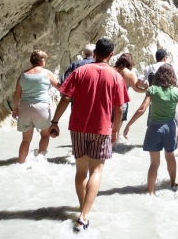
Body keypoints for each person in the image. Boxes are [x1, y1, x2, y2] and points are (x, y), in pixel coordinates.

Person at [49, 38, 129, 233]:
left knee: (80, 171)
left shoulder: (80, 71)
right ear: (111, 55)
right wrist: (115, 130)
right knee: (97, 171)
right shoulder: (116, 76)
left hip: (78, 127)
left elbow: (66, 97)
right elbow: (119, 108)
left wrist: (54, 122)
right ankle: (84, 216)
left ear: (94, 54)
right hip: (102, 128)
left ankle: (82, 207)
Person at [123, 64, 178, 194]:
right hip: (170, 128)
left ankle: (150, 192)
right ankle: (173, 185)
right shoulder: (176, 92)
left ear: (158, 76)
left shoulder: (152, 89)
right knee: (170, 157)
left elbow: (142, 109)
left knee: (154, 163)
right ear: (172, 76)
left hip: (154, 128)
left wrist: (128, 124)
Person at [12, 50, 60, 163]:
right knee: (44, 135)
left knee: (25, 140)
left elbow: (17, 95)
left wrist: (15, 109)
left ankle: (21, 164)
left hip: (25, 108)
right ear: (41, 61)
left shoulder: (23, 75)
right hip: (41, 107)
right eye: (44, 60)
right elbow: (60, 87)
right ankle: (40, 160)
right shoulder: (46, 73)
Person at [138, 48, 178, 149]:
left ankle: (155, 143)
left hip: (154, 99)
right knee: (175, 122)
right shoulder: (169, 68)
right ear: (164, 58)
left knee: (153, 122)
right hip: (170, 98)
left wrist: (146, 87)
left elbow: (138, 83)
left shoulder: (149, 67)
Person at [112, 53, 145, 142]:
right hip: (122, 101)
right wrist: (146, 90)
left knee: (108, 125)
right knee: (117, 126)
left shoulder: (112, 70)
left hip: (109, 101)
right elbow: (136, 89)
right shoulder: (129, 74)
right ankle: (114, 144)